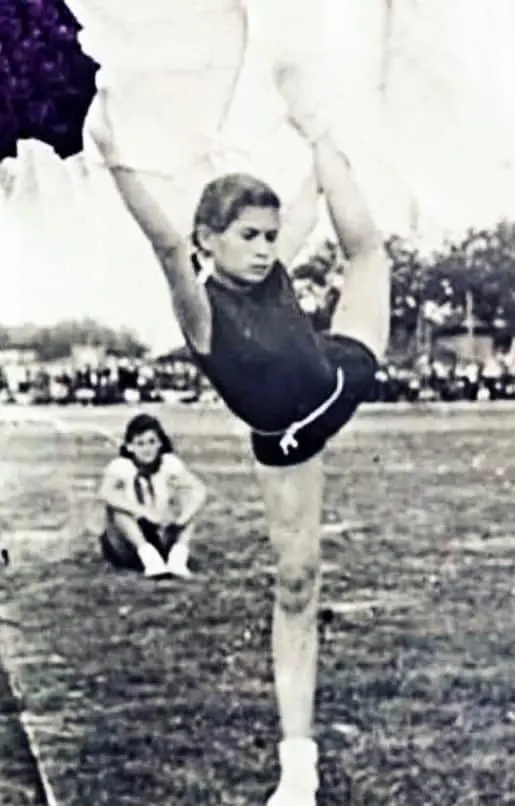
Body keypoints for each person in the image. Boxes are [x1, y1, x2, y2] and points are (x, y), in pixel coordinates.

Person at [87, 64, 390, 806]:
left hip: (348, 368)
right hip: (289, 440)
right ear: (208, 240)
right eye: (248, 236)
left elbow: (318, 206)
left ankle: (320, 124)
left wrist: (314, 143)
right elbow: (165, 246)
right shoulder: (200, 310)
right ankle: (299, 769)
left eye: (269, 236)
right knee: (297, 582)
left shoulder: (274, 269)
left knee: (367, 250)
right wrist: (116, 159)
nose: (262, 248)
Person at [98, 413, 206, 578]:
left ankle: (178, 557)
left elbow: (199, 490)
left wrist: (181, 520)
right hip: (129, 540)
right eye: (140, 443)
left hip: (161, 533)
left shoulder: (169, 464)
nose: (146, 449)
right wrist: (143, 512)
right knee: (117, 509)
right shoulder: (121, 467)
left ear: (160, 444)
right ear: (129, 446)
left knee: (188, 501)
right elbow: (105, 493)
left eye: (151, 442)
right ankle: (149, 558)